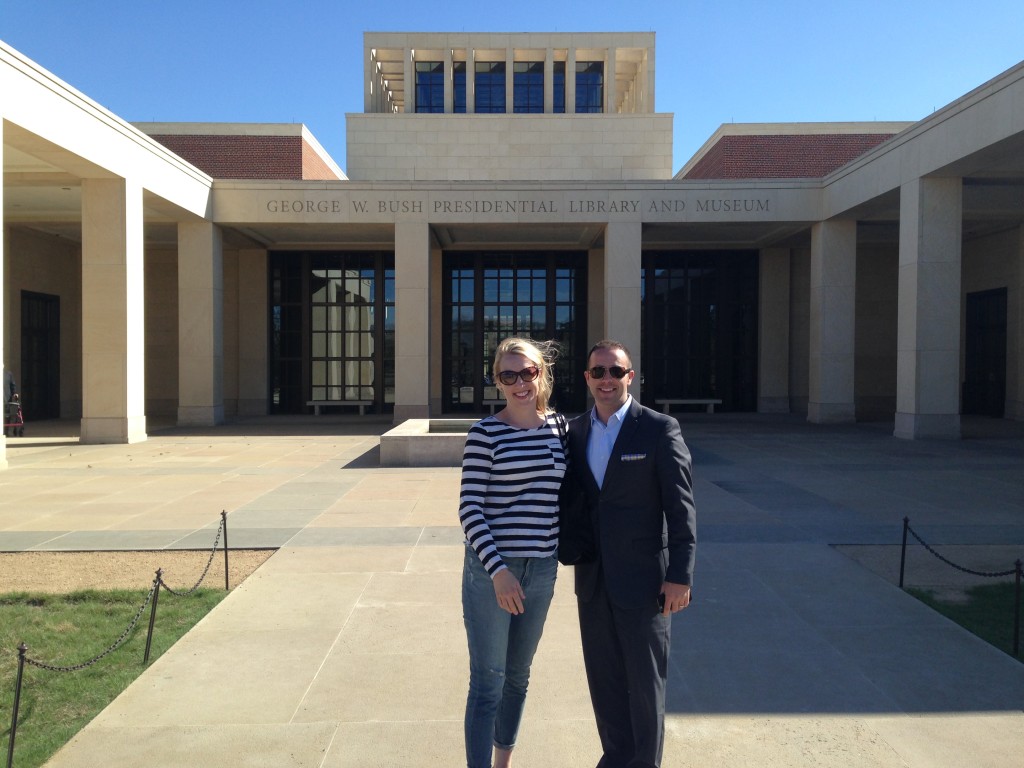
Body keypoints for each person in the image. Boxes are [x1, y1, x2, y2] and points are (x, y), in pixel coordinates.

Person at [564, 339, 697, 768]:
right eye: (598, 372)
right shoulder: (576, 430)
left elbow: (681, 508)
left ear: (630, 377)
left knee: (645, 686)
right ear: (587, 378)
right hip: (593, 580)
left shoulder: (659, 428)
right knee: (604, 682)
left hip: (644, 582)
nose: (606, 380)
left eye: (615, 372)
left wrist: (681, 574)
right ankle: (616, 757)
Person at [459, 337, 566, 768]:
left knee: (518, 678)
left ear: (542, 373)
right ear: (497, 382)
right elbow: (470, 508)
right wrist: (498, 571)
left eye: (528, 372)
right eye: (508, 375)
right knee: (488, 681)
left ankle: (503, 762)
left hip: (541, 570)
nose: (520, 383)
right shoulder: (485, 433)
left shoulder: (560, 427)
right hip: (492, 574)